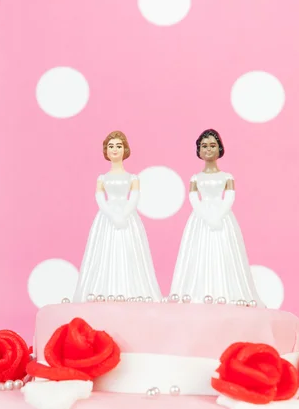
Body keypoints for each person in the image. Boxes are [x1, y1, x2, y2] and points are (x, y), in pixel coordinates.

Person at [170, 129, 263, 306]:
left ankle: (225, 291)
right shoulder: (195, 178)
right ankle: (199, 291)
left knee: (224, 253)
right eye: (204, 146)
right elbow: (193, 198)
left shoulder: (227, 177)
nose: (208, 149)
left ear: (220, 148)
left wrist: (218, 216)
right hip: (200, 220)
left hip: (222, 219)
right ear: (198, 150)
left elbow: (229, 197)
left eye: (212, 145)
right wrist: (205, 215)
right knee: (200, 252)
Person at [73, 130, 162, 302]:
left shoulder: (132, 178)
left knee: (128, 251)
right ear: (106, 151)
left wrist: (124, 214)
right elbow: (100, 197)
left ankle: (129, 289)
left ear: (125, 150)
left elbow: (134, 198)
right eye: (111, 146)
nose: (115, 149)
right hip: (106, 220)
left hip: (128, 219)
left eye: (119, 146)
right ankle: (104, 289)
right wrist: (111, 214)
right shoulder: (102, 178)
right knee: (106, 252)